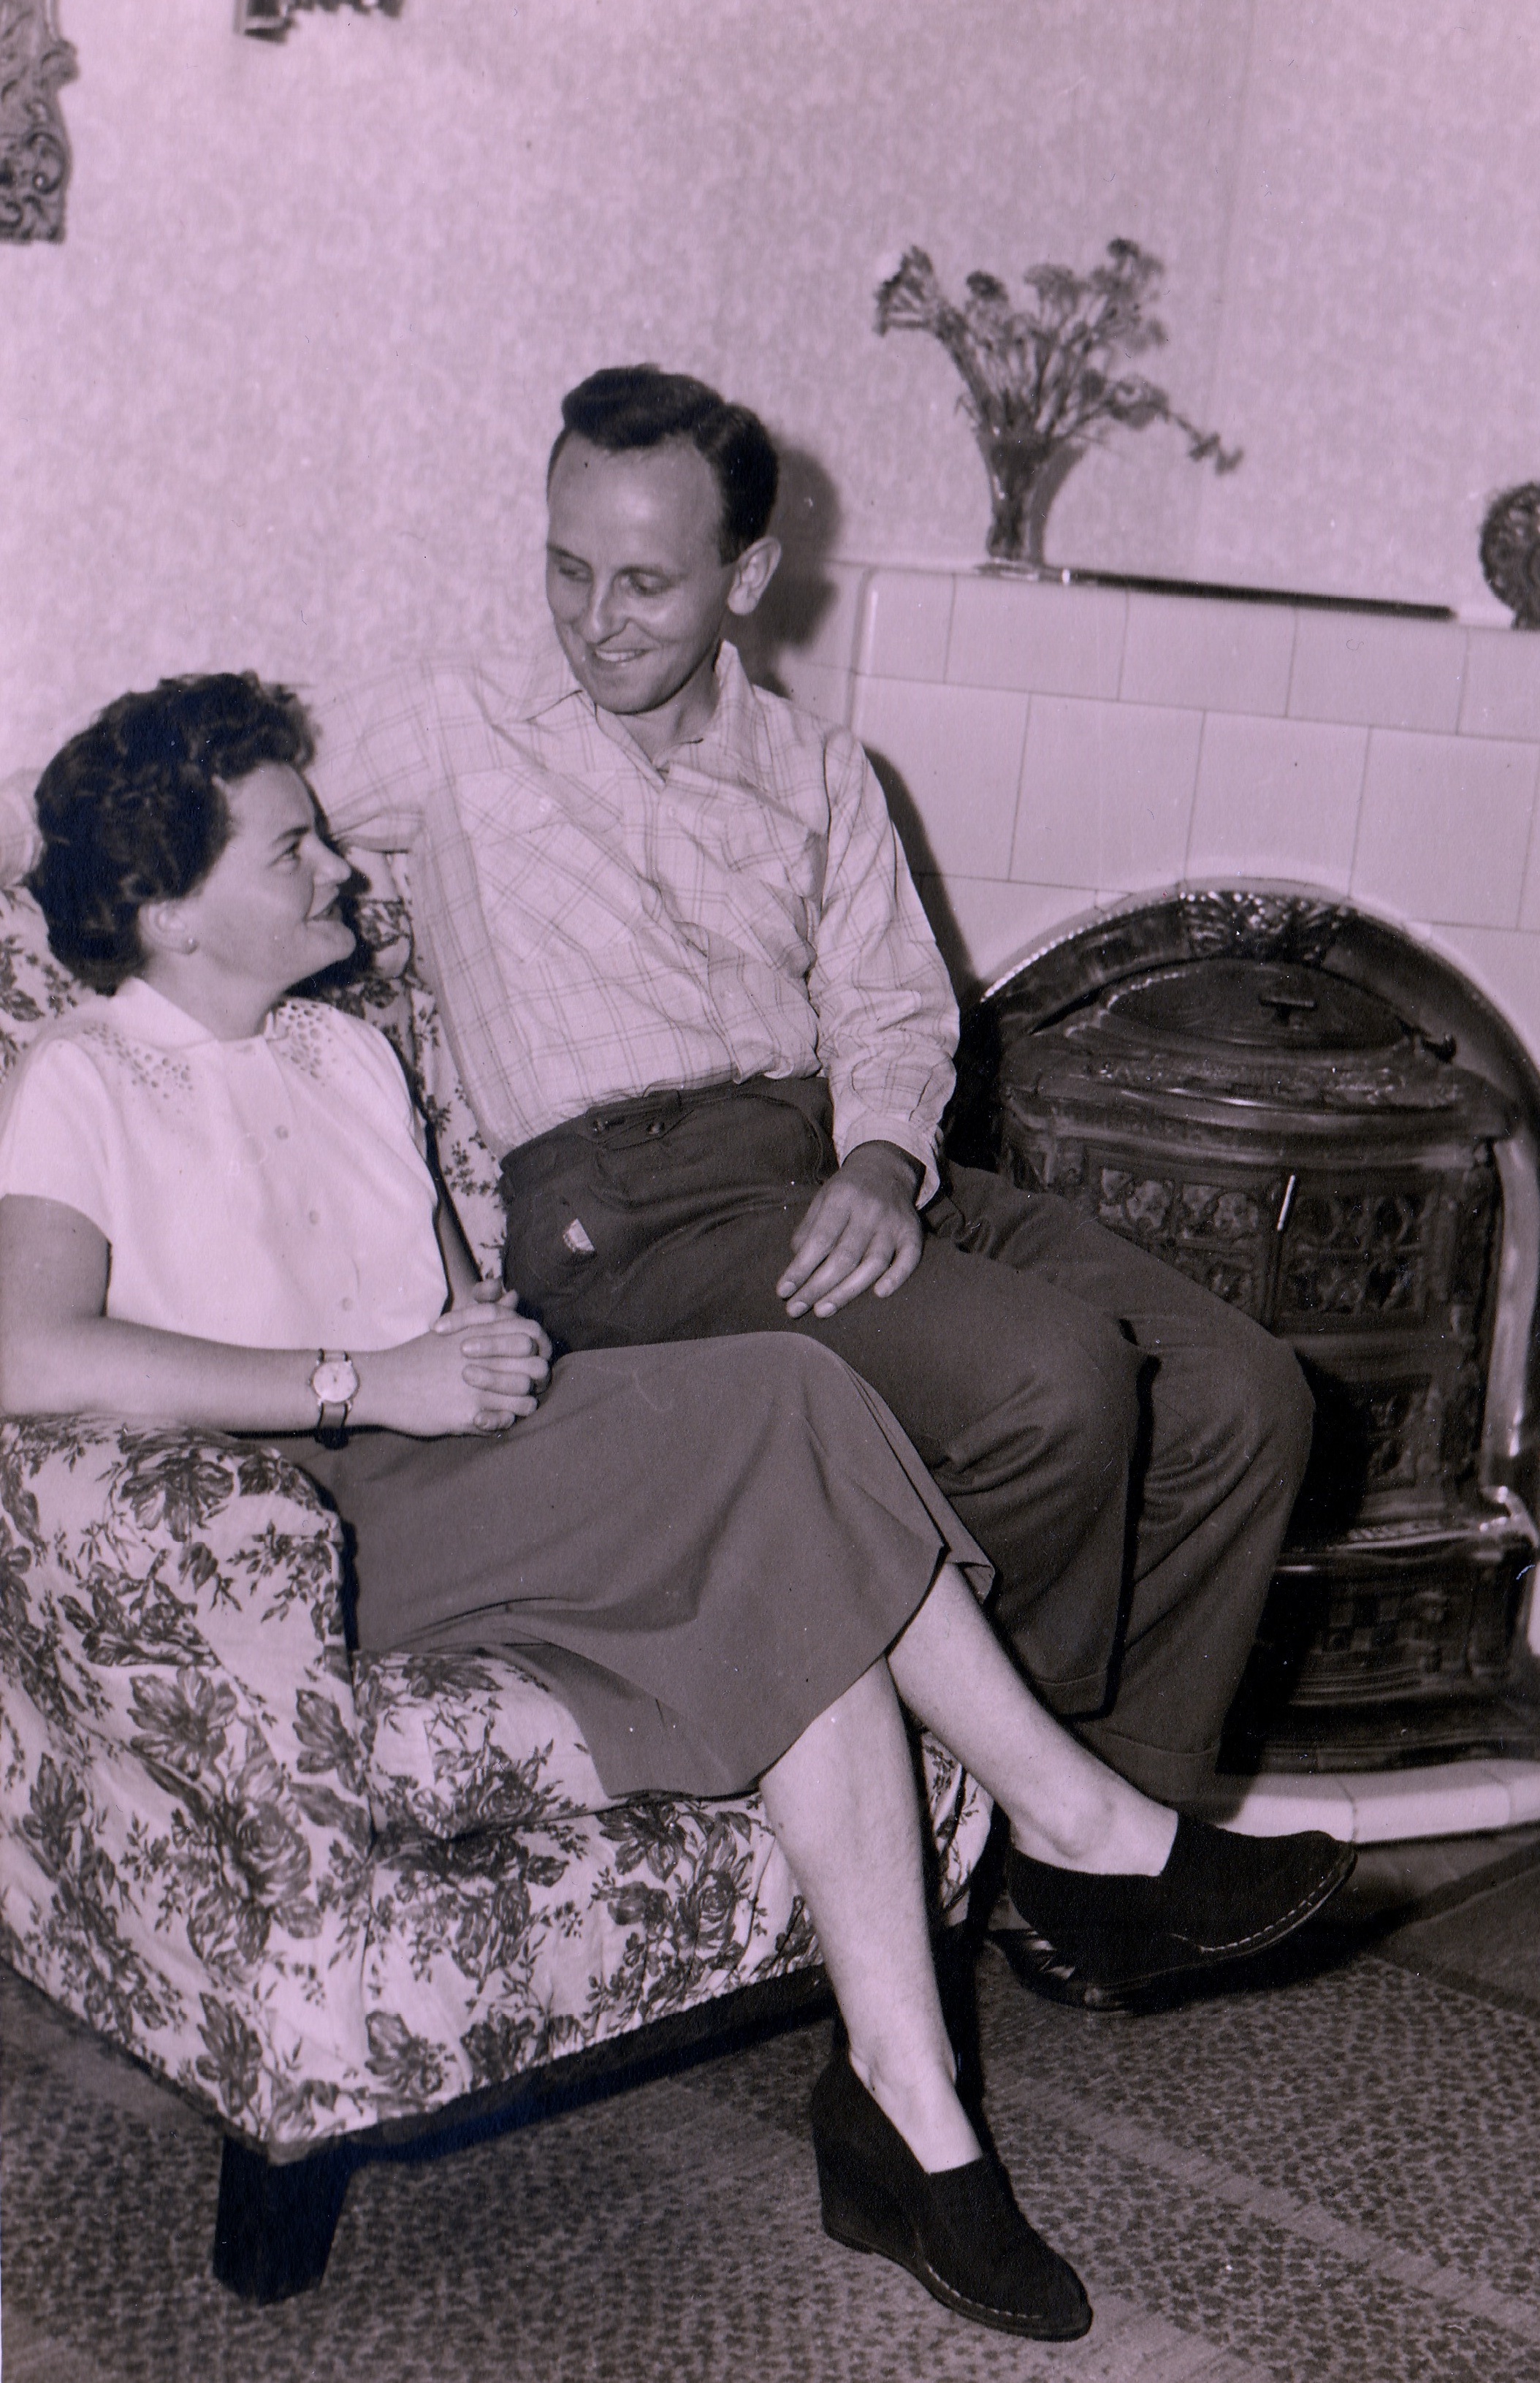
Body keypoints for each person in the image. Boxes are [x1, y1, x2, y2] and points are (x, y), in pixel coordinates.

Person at [0, 675, 1354, 2341]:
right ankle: (1079, 1825)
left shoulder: (348, 1051)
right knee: (782, 1399)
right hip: (301, 1519)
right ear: (167, 909)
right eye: (292, 848)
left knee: (792, 1526)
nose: (343, 864)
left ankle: (915, 2116)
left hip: (462, 1462)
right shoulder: (80, 1075)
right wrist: (365, 1380)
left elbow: (453, 1306)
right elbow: (26, 1347)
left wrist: (475, 1342)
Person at [302, 367, 1321, 2004]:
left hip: (834, 1155)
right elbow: (180, 806)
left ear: (748, 577)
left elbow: (893, 1008)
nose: (596, 619)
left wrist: (879, 1162)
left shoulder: (819, 768)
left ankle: (1089, 1867)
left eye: (646, 581)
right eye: (567, 566)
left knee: (1241, 1388)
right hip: (626, 1217)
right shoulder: (448, 724)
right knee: (1053, 1382)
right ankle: (1039, 1812)